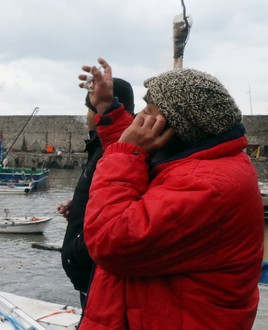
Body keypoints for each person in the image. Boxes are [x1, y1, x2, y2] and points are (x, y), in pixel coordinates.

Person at [76, 57, 264, 329]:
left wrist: (126, 152)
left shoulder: (208, 186)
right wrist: (107, 108)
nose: (139, 120)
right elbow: (150, 154)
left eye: (149, 112)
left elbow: (110, 240)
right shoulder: (201, 161)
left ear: (178, 127)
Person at [58, 78, 135, 309]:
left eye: (88, 108)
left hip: (95, 271)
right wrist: (80, 205)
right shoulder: (99, 146)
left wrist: (82, 247)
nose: (86, 116)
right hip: (88, 271)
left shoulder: (111, 149)